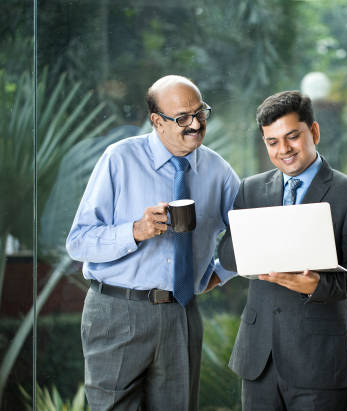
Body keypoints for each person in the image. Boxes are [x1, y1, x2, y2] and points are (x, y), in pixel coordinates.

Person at [66, 75, 239, 411]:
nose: (195, 124)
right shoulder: (120, 159)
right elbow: (78, 242)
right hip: (117, 312)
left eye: (200, 112)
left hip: (182, 314)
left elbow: (251, 231)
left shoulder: (217, 170)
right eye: (182, 118)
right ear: (157, 122)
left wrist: (220, 274)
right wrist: (135, 230)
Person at [218, 90, 347, 410]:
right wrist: (259, 246)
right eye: (272, 141)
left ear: (314, 132)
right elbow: (227, 253)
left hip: (318, 362)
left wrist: (319, 285)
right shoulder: (251, 189)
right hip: (258, 359)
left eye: (292, 136)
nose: (284, 150)